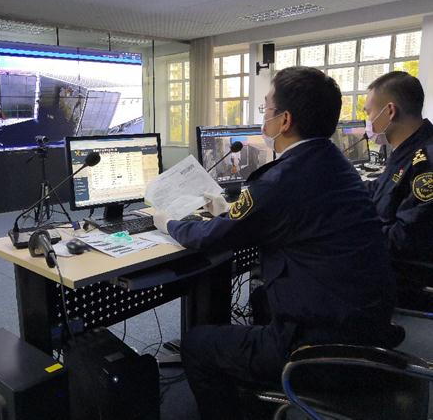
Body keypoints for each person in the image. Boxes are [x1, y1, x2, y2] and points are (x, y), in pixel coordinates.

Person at [153, 67, 398, 420]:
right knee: (259, 300)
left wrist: (169, 222)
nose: (263, 117)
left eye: (266, 109)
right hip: (366, 333)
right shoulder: (336, 164)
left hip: (318, 350)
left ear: (284, 120)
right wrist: (237, 212)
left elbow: (210, 237)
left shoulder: (280, 179)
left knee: (196, 344)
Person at [363, 71, 433, 310]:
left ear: (390, 111)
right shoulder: (407, 151)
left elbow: (405, 241)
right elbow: (382, 189)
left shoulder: (425, 162)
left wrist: (350, 230)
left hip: (404, 277)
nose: (368, 121)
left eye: (368, 112)